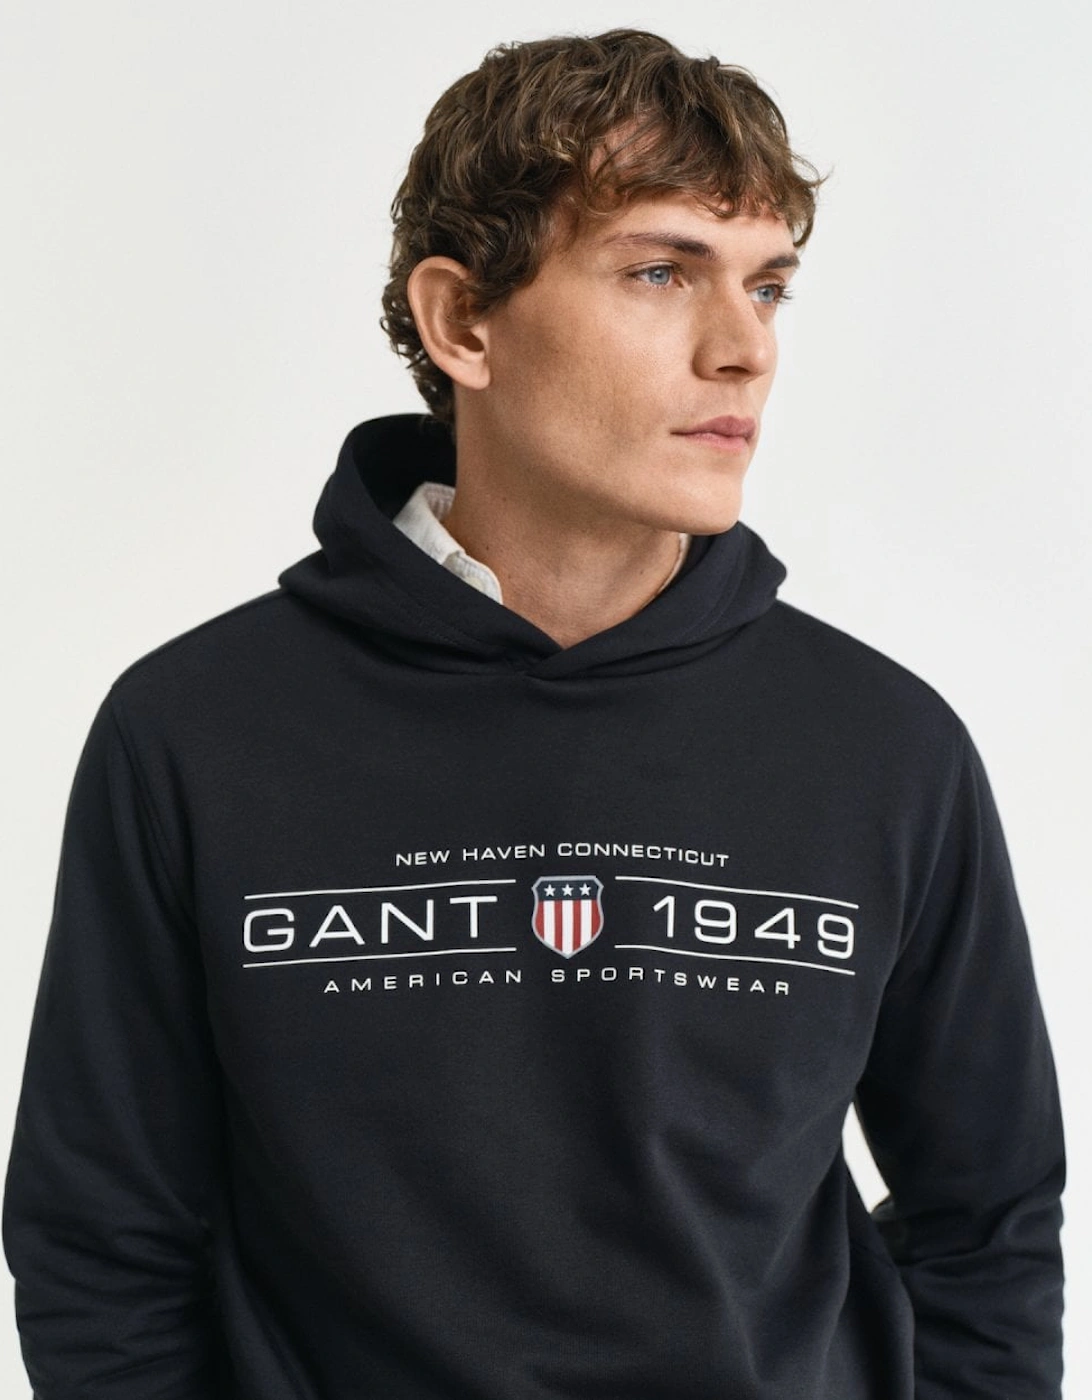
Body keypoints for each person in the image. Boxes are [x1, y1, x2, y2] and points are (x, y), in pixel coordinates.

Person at [2, 26, 1065, 1400]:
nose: (744, 350)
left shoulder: (886, 746)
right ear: (464, 323)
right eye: (660, 271)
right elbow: (101, 1242)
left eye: (767, 285)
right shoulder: (196, 731)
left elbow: (990, 1222)